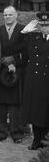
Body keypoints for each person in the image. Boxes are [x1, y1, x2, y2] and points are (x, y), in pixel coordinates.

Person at [0, 6, 26, 143]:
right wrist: (4, 61)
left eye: (10, 14)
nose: (7, 17)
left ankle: (17, 132)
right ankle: (1, 132)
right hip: (1, 72)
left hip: (17, 73)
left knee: (15, 104)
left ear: (16, 15)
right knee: (1, 104)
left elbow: (27, 52)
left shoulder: (24, 31)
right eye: (5, 15)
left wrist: (14, 60)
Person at [22, 12, 49, 150]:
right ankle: (37, 140)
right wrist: (30, 27)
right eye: (42, 25)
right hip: (36, 81)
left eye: (47, 25)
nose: (44, 28)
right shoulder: (34, 37)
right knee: (37, 111)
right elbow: (22, 38)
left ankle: (46, 140)